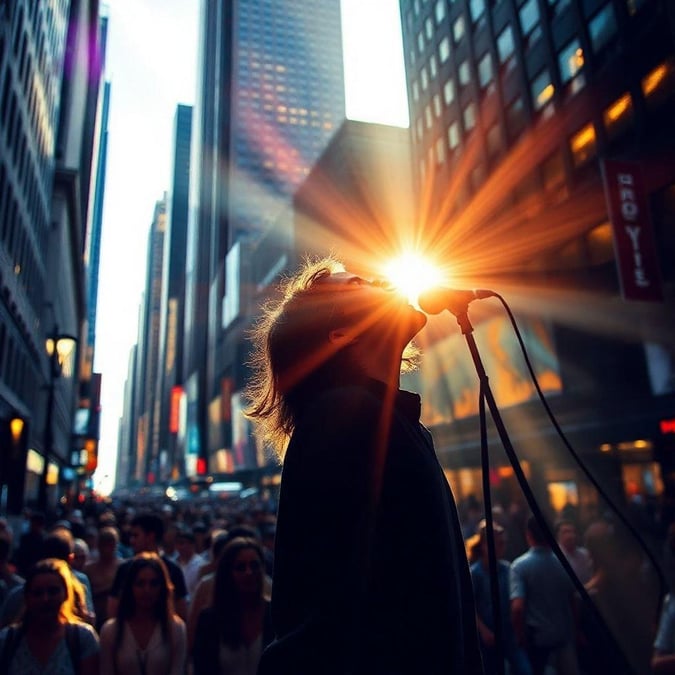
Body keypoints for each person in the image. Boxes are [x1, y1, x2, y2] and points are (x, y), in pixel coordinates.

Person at [246, 258, 483, 674]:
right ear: (341, 334)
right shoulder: (342, 419)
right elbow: (328, 613)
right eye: (360, 282)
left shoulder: (395, 424)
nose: (383, 280)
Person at [0, 558, 99, 674]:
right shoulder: (7, 641)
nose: (45, 599)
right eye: (38, 593)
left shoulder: (82, 639)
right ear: (27, 597)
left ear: (66, 594)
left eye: (53, 591)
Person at [192, 537, 273, 675]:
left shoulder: (275, 614)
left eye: (254, 565)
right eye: (241, 567)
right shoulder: (209, 619)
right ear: (227, 573)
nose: (249, 572)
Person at [510, 516, 579, 675]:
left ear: (528, 534)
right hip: (564, 637)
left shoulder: (519, 567)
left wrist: (520, 636)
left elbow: (517, 608)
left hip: (538, 642)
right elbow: (573, 600)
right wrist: (575, 630)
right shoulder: (564, 562)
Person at [99, 553, 186, 675]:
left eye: (153, 584)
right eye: (140, 583)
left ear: (162, 588)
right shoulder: (110, 631)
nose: (147, 590)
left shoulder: (176, 629)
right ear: (130, 587)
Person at [470, 521, 531, 675]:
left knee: (524, 669)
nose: (500, 547)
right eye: (496, 543)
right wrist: (484, 631)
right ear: (484, 545)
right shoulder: (475, 573)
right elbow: (470, 606)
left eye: (502, 543)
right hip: (488, 637)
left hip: (508, 633)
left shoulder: (507, 569)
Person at [108, 512, 188, 621]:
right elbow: (113, 607)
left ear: (150, 536)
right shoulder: (124, 569)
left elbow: (181, 610)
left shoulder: (173, 570)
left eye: (136, 536)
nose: (132, 541)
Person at [84, 526, 122, 631]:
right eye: (105, 544)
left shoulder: (122, 567)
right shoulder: (89, 569)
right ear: (99, 545)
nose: (108, 548)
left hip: (118, 619)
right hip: (95, 619)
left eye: (111, 544)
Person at [555, 519, 592, 584]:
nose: (571, 535)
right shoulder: (554, 558)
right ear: (558, 535)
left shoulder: (585, 554)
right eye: (566, 532)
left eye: (573, 532)